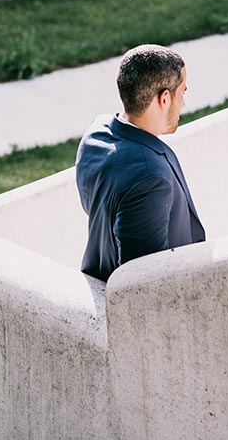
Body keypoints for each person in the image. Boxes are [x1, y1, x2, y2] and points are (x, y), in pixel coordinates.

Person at [77, 44, 206, 281]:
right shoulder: (151, 178)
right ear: (164, 98)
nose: (184, 104)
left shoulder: (96, 134)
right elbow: (144, 281)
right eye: (182, 93)